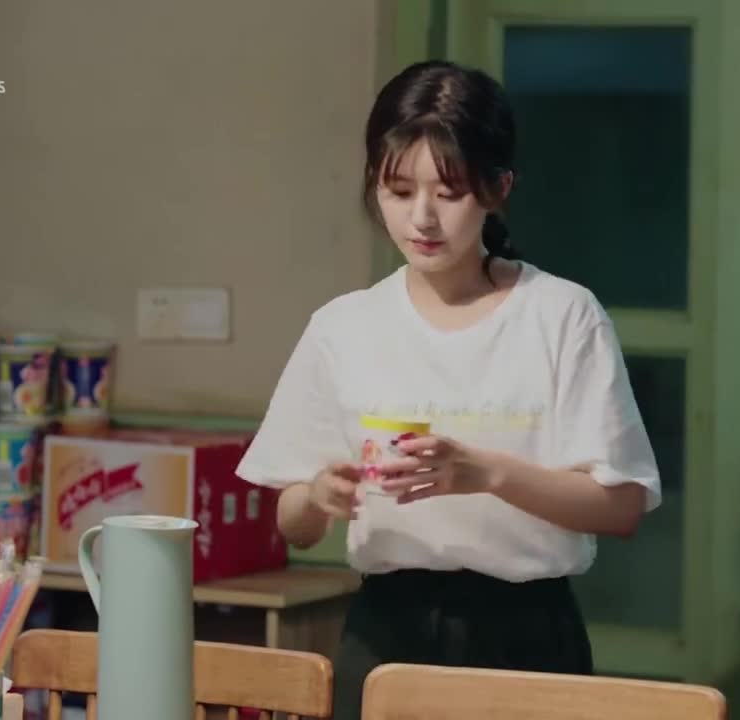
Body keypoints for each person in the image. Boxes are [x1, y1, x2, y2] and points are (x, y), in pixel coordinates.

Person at [235, 59, 661, 719]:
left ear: (498, 188)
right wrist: (318, 496)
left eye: (449, 191)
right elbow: (292, 522)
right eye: (399, 190)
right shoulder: (344, 327)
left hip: (528, 634)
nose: (422, 218)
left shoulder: (561, 315)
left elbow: (622, 506)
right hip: (385, 634)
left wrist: (483, 473)